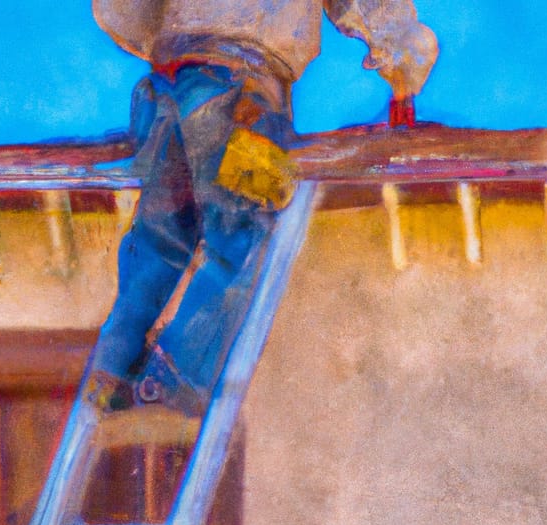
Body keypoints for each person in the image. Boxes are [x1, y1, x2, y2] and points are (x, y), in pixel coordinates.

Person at [84, 0, 439, 416]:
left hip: (168, 87)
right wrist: (403, 52)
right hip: (241, 93)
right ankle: (176, 375)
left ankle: (111, 370)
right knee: (242, 236)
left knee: (160, 240)